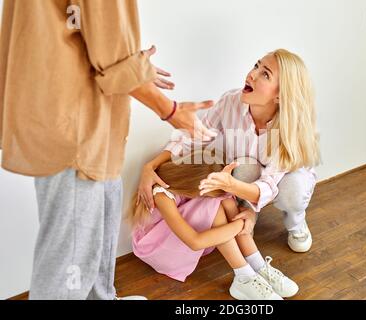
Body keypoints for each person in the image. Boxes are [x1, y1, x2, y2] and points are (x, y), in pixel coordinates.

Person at [0, 0, 215, 300]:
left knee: (94, 234)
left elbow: (80, 30)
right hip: (76, 126)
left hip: (74, 119)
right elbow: (113, 57)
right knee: (69, 262)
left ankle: (102, 297)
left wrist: (134, 68)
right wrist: (171, 110)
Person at [139, 49, 321, 260]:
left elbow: (270, 185)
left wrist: (231, 188)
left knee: (293, 189)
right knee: (242, 168)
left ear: (280, 95)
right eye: (256, 66)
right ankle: (245, 212)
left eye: (265, 74)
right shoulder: (230, 102)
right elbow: (192, 138)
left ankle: (296, 221)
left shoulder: (291, 129)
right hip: (248, 174)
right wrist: (150, 166)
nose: (251, 74)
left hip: (286, 180)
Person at [130, 150, 298, 300]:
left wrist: (249, 215)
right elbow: (195, 242)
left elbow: (171, 151)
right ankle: (244, 276)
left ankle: (258, 266)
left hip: (181, 238)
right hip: (159, 249)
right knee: (215, 204)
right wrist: (242, 223)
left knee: (222, 198)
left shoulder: (187, 168)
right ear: (194, 184)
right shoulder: (162, 195)